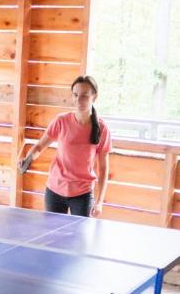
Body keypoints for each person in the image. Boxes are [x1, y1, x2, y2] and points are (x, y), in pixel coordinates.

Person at [18, 75, 112, 217]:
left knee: (80, 232)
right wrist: (27, 159)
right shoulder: (61, 121)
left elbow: (103, 169)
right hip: (54, 190)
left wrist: (99, 202)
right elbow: (39, 147)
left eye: (84, 95)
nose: (79, 100)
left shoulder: (102, 129)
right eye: (75, 95)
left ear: (95, 97)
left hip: (83, 194)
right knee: (52, 231)